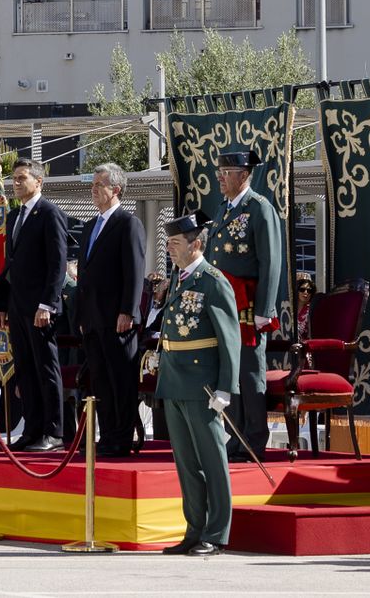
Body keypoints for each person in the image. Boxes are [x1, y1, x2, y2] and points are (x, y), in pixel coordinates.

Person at [156, 212, 240, 557]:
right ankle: (194, 528)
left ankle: (217, 531)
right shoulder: (179, 277)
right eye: (170, 244)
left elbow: (229, 338)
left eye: (175, 244)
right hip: (175, 378)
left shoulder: (212, 280)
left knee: (212, 459)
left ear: (197, 245)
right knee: (186, 462)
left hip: (202, 382)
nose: (170, 250)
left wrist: (225, 387)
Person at [208, 149, 283, 460]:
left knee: (249, 371)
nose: (220, 178)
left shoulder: (259, 208)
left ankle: (253, 438)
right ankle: (236, 435)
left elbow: (271, 260)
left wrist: (265, 309)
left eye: (225, 173)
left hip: (248, 303)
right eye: (219, 172)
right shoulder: (223, 210)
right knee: (230, 371)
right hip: (224, 302)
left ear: (242, 175)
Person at [75, 163, 146, 458]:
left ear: (115, 189)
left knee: (121, 379)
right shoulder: (91, 226)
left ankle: (122, 435)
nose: (93, 190)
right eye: (92, 185)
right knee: (100, 378)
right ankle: (107, 434)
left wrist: (128, 310)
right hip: (92, 317)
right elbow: (84, 274)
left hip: (118, 317)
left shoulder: (128, 223)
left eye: (99, 185)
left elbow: (134, 270)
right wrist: (80, 315)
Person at [2, 160, 70, 452]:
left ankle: (53, 432)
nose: (16, 183)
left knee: (45, 368)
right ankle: (32, 429)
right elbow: (10, 265)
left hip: (40, 307)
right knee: (25, 368)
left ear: (39, 182)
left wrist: (48, 303)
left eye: (21, 178)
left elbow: (58, 264)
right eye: (14, 179)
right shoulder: (14, 216)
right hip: (18, 305)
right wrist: (4, 305)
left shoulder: (50, 213)